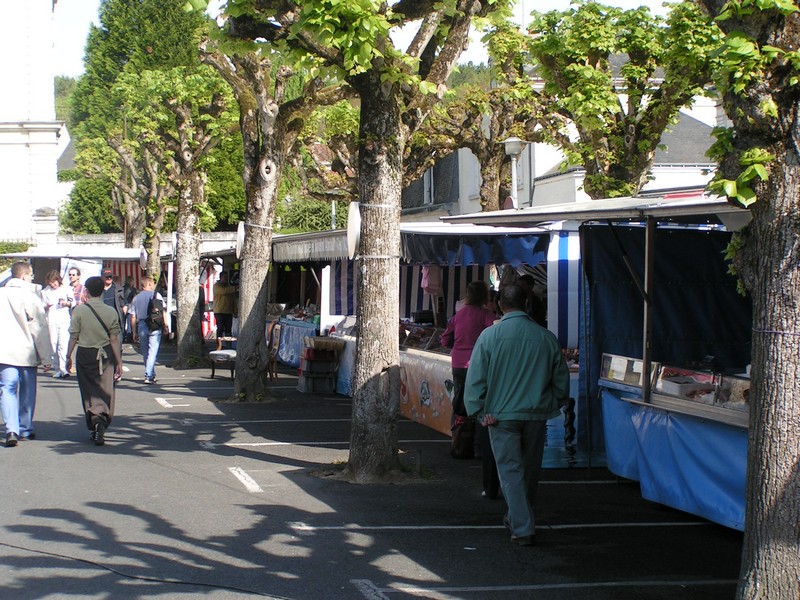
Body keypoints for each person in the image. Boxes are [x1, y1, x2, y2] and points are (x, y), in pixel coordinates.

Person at [465, 284, 569, 546]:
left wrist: (478, 411)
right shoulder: (545, 337)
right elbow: (561, 380)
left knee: (510, 471)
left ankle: (522, 527)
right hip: (535, 413)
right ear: (527, 304)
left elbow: (475, 379)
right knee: (530, 470)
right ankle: (518, 518)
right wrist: (553, 402)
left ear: (500, 305)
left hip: (500, 415)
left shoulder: (489, 337)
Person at [441, 280, 501, 496]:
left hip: (458, 363)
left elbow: (445, 338)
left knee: (459, 403)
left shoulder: (459, 315)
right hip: (479, 364)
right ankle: (477, 447)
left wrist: (454, 347)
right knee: (480, 404)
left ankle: (456, 442)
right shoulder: (486, 316)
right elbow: (497, 336)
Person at [66, 276, 122, 446]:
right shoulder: (110, 311)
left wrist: (68, 356)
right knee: (105, 389)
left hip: (85, 353)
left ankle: (94, 422)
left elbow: (74, 336)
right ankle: (101, 421)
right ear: (102, 291)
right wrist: (118, 361)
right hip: (105, 354)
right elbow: (114, 339)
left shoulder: (79, 311)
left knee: (88, 390)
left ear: (87, 291)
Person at [0, 262, 52, 446]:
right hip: (26, 351)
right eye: (31, 275)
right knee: (27, 391)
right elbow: (39, 327)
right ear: (23, 276)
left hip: (4, 352)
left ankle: (11, 428)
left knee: (7, 389)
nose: (32, 279)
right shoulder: (30, 296)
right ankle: (25, 428)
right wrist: (47, 357)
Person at [129, 276, 166, 384]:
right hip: (155, 324)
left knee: (145, 351)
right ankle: (149, 375)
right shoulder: (156, 295)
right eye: (152, 283)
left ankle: (150, 373)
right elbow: (163, 310)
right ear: (149, 284)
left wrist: (134, 331)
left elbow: (132, 316)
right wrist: (166, 324)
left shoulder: (136, 298)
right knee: (153, 350)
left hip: (142, 324)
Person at [41, 270, 74, 378]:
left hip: (64, 319)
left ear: (58, 280)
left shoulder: (66, 289)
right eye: (50, 283)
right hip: (51, 319)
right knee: (53, 343)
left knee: (63, 344)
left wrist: (66, 303)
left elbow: (73, 302)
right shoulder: (45, 291)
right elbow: (41, 306)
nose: (52, 285)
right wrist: (46, 306)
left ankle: (64, 368)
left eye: (54, 283)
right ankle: (57, 368)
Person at [212, 270, 236, 341]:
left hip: (228, 311)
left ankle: (228, 344)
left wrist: (235, 310)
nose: (226, 279)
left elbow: (233, 299)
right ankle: (219, 344)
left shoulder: (229, 287)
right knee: (220, 328)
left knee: (228, 329)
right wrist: (234, 288)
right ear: (220, 277)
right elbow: (223, 291)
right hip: (219, 311)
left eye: (227, 277)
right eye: (224, 277)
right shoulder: (216, 286)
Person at [122, 276, 137, 343]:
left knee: (123, 322)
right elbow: (134, 298)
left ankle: (123, 336)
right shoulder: (133, 289)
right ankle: (129, 337)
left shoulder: (122, 288)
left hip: (123, 306)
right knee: (130, 322)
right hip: (130, 305)